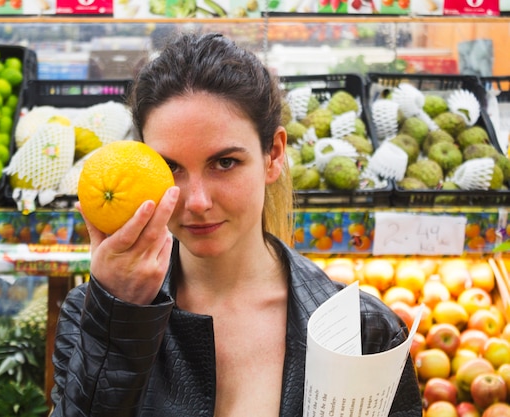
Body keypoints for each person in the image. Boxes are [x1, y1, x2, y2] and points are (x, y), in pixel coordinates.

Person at [50, 32, 422, 417]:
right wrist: (121, 322)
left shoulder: (363, 331)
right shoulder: (91, 316)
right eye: (171, 167)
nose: (197, 201)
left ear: (273, 154)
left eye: (224, 163)